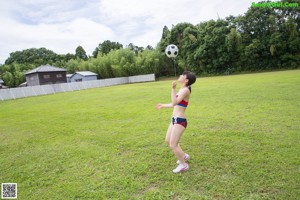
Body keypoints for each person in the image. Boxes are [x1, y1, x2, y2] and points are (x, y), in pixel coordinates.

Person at [156, 71, 196, 173]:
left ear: (186, 80)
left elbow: (175, 102)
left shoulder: (185, 90)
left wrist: (173, 89)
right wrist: (163, 105)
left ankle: (184, 165)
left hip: (180, 120)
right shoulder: (182, 89)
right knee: (168, 140)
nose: (180, 75)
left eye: (183, 75)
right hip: (174, 120)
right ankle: (183, 155)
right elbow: (174, 104)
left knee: (173, 144)